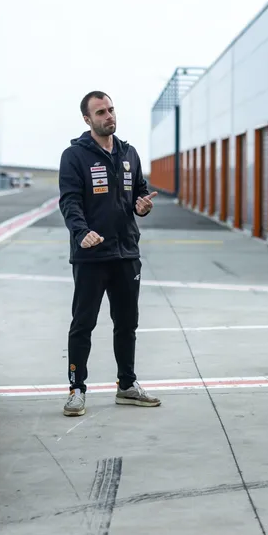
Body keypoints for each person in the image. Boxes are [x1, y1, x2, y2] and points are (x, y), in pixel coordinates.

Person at [58, 90, 161, 417]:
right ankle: (76, 389)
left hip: (126, 253)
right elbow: (69, 201)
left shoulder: (129, 153)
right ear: (87, 119)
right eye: (101, 112)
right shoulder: (74, 156)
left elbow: (138, 194)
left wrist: (142, 206)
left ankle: (127, 385)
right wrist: (81, 232)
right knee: (83, 324)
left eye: (111, 109)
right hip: (91, 255)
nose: (109, 116)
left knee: (127, 323)